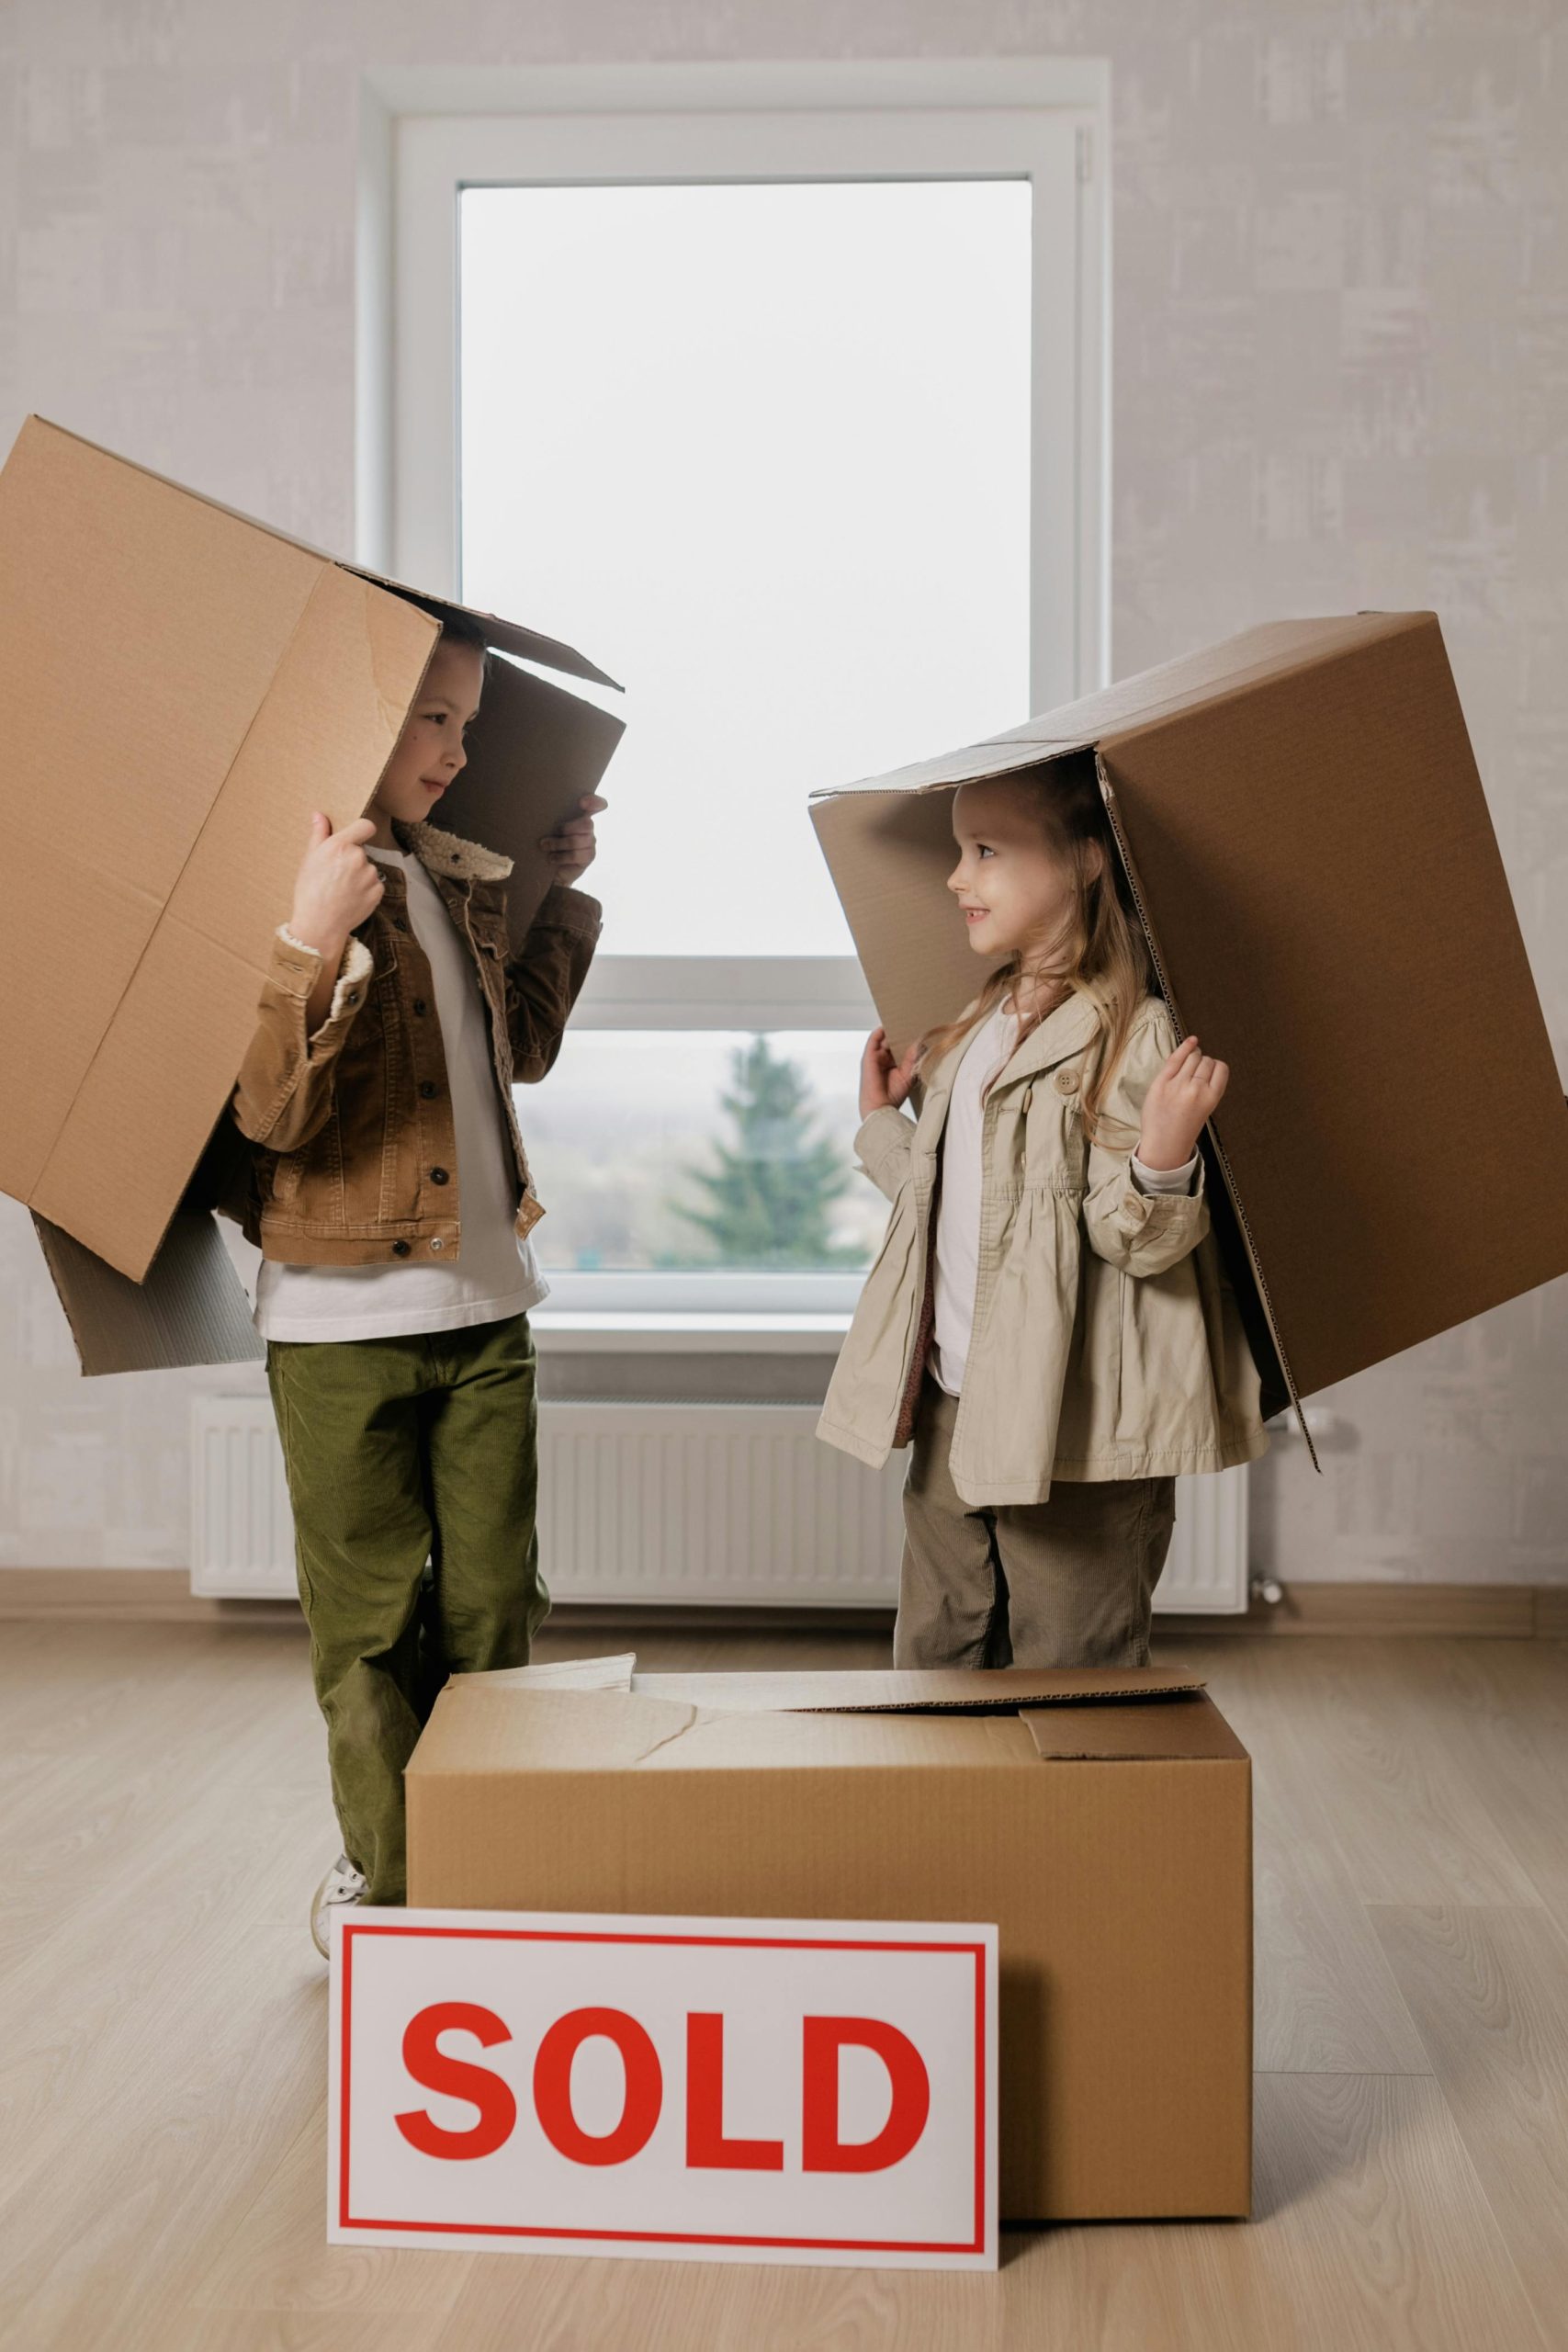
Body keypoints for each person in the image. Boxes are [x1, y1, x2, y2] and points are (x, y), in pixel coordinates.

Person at [222, 602, 605, 1951]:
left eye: (465, 723)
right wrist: (306, 945)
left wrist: (555, 885)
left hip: (486, 1308)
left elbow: (527, 1051)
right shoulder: (293, 890)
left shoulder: (452, 879)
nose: (453, 748)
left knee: (497, 1605)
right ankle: (391, 1896)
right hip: (337, 1322)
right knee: (371, 1630)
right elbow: (268, 1117)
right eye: (428, 718)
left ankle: (480, 1869)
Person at [817, 753, 1268, 1670]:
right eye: (957, 851)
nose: (956, 877)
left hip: (1078, 1434)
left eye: (986, 850)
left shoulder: (1135, 1031)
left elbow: (1130, 1241)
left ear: (1086, 860)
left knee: (1071, 1670)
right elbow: (950, 1203)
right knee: (936, 1656)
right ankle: (947, 1819)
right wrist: (880, 1124)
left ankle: (1062, 1821)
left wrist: (1166, 1151)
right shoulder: (977, 1023)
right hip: (955, 1403)